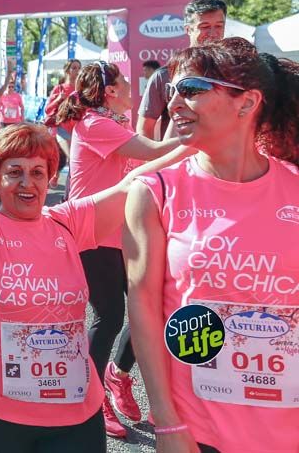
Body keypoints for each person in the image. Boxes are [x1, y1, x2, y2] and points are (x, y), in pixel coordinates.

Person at [0, 95, 187, 453]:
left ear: (50, 178)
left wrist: (193, 144)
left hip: (74, 416)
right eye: (15, 172)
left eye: (38, 172)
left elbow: (133, 183)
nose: (28, 183)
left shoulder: (68, 223)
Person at [126, 38, 299, 453]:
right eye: (173, 91)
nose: (174, 104)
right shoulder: (155, 192)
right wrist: (165, 422)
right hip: (197, 431)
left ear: (246, 103)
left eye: (192, 90)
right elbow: (144, 309)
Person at [53, 61, 181, 438]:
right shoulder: (95, 124)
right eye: (125, 82)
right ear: (110, 91)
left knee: (152, 311)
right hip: (91, 231)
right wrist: (198, 132)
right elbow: (153, 151)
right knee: (107, 317)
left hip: (121, 233)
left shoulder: (110, 122)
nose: (131, 87)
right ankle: (93, 399)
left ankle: (118, 375)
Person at [137, 0, 226, 140]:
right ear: (188, 29)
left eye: (218, 26)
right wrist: (159, 161)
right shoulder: (164, 76)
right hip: (180, 159)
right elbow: (145, 129)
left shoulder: (232, 72)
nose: (213, 33)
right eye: (204, 27)